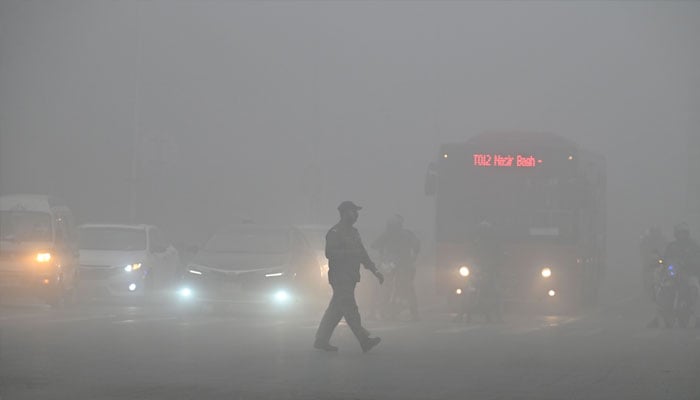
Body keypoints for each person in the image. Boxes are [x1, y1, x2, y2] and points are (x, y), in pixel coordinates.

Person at [314, 201, 384, 353]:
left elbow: (363, 254)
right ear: (344, 213)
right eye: (353, 211)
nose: (356, 215)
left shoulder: (354, 233)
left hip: (351, 276)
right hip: (339, 277)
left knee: (336, 310)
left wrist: (375, 270)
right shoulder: (335, 232)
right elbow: (329, 253)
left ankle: (321, 339)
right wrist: (349, 254)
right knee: (350, 308)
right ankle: (364, 340)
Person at [370, 214, 421, 321]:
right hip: (397, 265)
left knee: (386, 287)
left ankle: (412, 312)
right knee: (403, 288)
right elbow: (417, 246)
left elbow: (374, 245)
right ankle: (413, 313)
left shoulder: (390, 234)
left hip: (397, 265)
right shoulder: (405, 234)